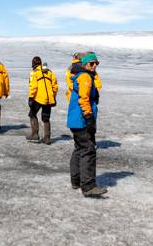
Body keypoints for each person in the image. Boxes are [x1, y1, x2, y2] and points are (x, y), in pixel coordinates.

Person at [67, 52, 106, 197]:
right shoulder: (84, 77)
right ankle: (88, 185)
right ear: (84, 64)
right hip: (81, 119)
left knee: (79, 149)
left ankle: (76, 180)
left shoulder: (81, 75)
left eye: (96, 63)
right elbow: (84, 99)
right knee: (88, 150)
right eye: (91, 63)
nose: (94, 65)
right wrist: (89, 117)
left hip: (75, 119)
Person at [27, 56, 59, 144]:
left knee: (32, 114)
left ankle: (35, 134)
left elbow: (33, 86)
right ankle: (47, 138)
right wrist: (53, 97)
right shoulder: (50, 72)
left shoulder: (34, 72)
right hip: (49, 99)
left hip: (39, 98)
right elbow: (55, 86)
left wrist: (31, 97)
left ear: (33, 64)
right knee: (46, 118)